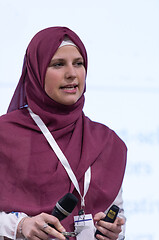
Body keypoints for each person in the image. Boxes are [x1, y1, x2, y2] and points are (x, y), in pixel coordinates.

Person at [0, 27, 127, 240]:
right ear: (36, 71)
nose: (72, 73)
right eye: (58, 64)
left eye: (79, 63)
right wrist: (19, 226)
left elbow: (118, 216)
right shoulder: (4, 136)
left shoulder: (107, 142)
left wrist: (114, 232)